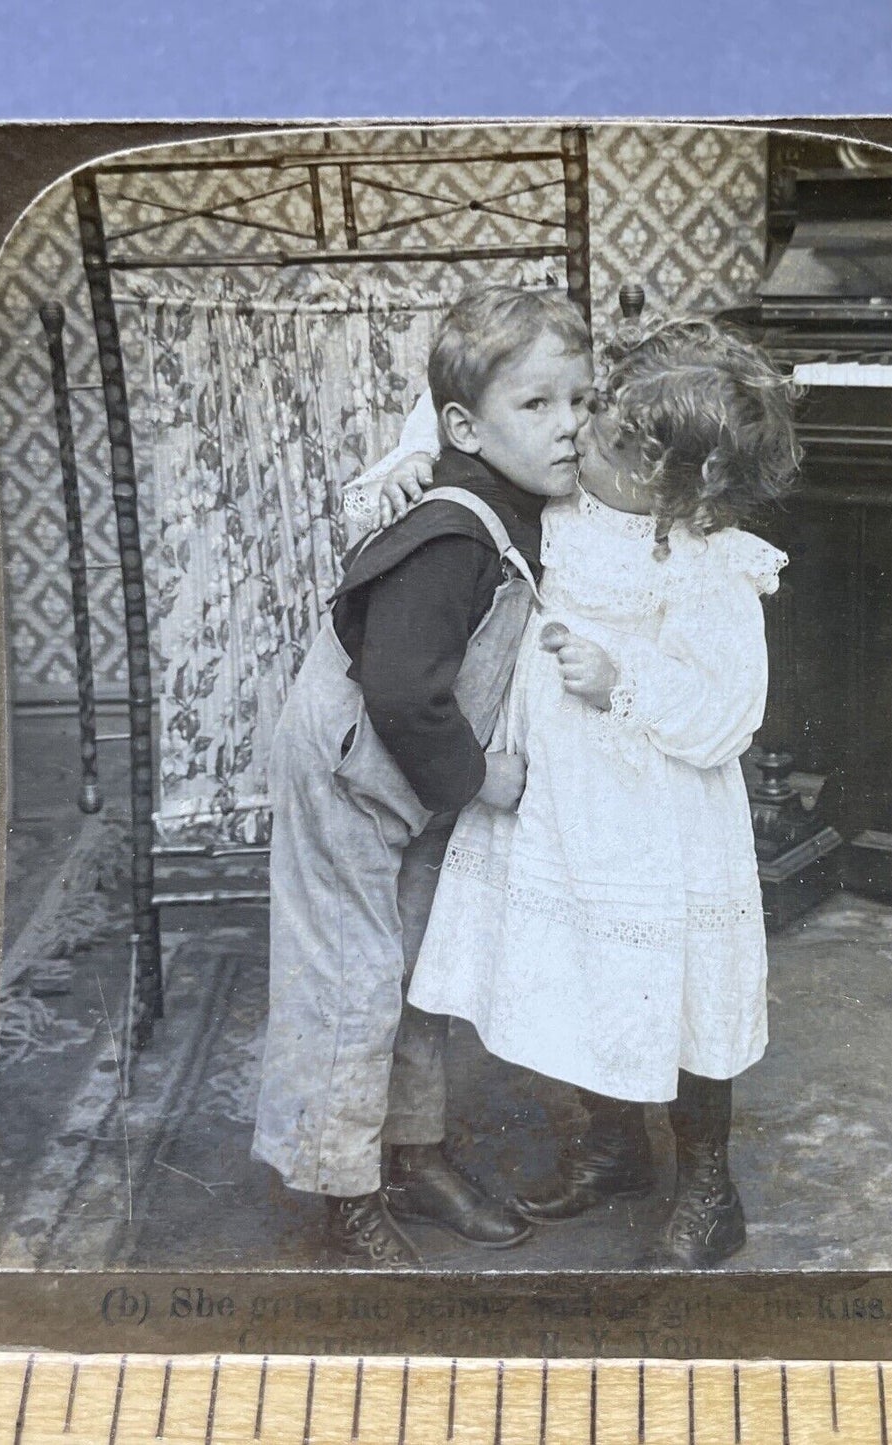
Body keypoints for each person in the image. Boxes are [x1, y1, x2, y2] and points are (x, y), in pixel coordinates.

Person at [351, 318, 799, 1266]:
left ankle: (708, 1183)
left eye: (608, 437)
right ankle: (612, 1146)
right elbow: (463, 421)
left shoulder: (710, 563)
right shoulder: (563, 502)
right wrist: (402, 457)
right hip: (564, 806)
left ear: (689, 485)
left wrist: (622, 677)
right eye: (587, 412)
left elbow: (727, 717)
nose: (577, 437)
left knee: (675, 994)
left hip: (657, 820)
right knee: (590, 979)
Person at [251, 285, 596, 1267]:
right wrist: (482, 777)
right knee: (351, 982)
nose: (568, 425)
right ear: (461, 426)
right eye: (536, 405)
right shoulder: (450, 529)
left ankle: (410, 1154)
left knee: (415, 968)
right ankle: (342, 1193)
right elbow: (402, 689)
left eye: (579, 400)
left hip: (400, 778)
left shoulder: (508, 500)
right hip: (350, 771)